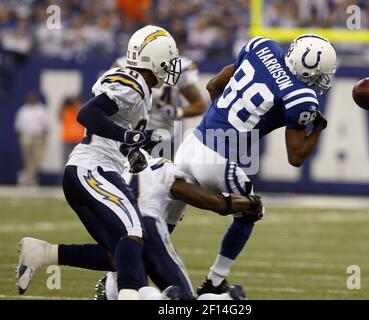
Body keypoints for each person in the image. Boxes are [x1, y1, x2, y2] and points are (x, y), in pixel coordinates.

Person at [16, 25, 181, 300]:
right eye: (169, 59)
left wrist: (132, 148)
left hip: (90, 171)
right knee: (134, 231)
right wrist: (128, 135)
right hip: (92, 170)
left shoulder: (140, 90)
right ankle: (129, 295)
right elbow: (88, 113)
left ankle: (43, 253)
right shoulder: (135, 84)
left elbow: (112, 129)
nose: (172, 67)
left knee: (120, 253)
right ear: (156, 59)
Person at [174, 34, 336, 294]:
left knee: (163, 221)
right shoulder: (302, 97)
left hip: (190, 144)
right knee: (252, 210)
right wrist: (317, 128)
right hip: (217, 161)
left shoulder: (262, 47)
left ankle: (124, 278)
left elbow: (213, 86)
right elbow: (296, 157)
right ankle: (215, 282)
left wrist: (223, 122)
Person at [16, 156, 263, 300]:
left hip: (120, 225)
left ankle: (46, 252)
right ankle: (221, 301)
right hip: (147, 226)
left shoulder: (115, 169)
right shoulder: (161, 168)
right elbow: (214, 203)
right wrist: (249, 202)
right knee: (183, 301)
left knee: (118, 264)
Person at [114, 55, 206, 159]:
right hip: (130, 138)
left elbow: (199, 106)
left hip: (162, 140)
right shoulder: (124, 65)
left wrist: (177, 112)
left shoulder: (178, 67)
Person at [14, 91, 49, 186]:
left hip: (38, 137)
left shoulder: (41, 109)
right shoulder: (23, 110)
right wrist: (22, 136)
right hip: (26, 136)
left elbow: (46, 125)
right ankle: (30, 179)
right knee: (27, 159)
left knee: (36, 159)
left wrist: (44, 137)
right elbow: (18, 126)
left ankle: (29, 178)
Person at [60, 96, 84, 162]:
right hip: (68, 140)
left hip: (79, 141)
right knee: (67, 161)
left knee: (79, 161)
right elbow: (60, 112)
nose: (75, 104)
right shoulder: (66, 111)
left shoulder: (82, 111)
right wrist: (66, 101)